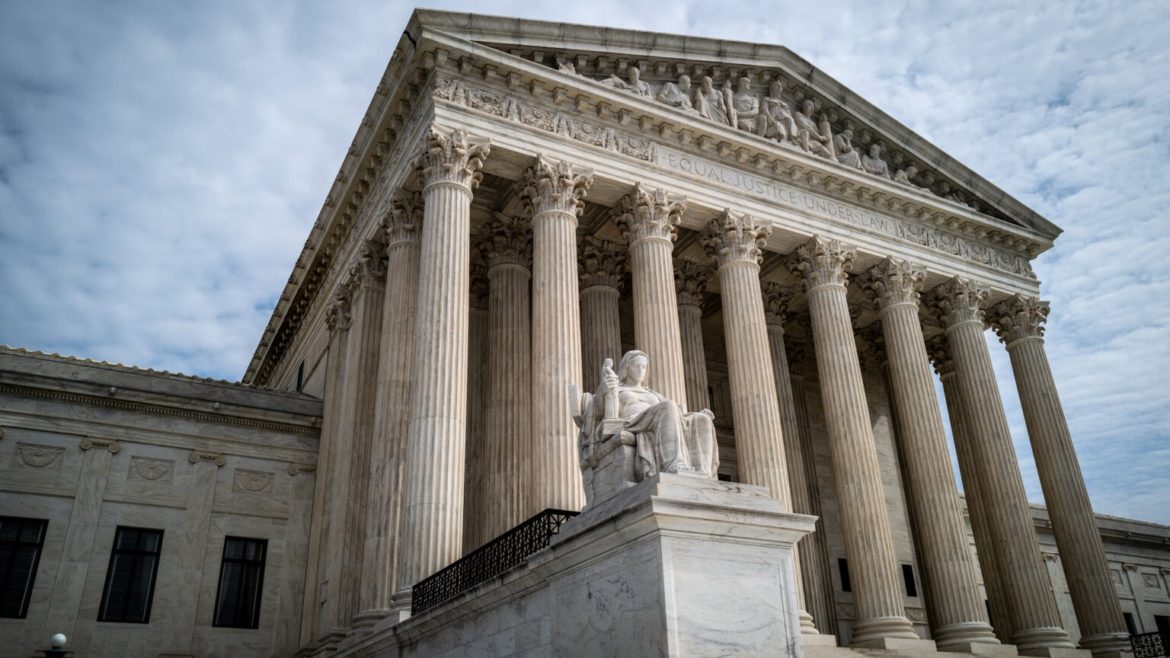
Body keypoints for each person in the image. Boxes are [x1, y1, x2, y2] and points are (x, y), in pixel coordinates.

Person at [582, 351, 718, 481]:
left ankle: (702, 473)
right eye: (637, 366)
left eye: (644, 367)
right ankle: (674, 464)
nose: (641, 370)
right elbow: (598, 413)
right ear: (627, 368)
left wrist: (693, 415)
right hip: (631, 423)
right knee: (668, 406)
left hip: (656, 421)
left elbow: (675, 416)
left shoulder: (654, 394)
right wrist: (602, 391)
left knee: (702, 420)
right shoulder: (617, 389)